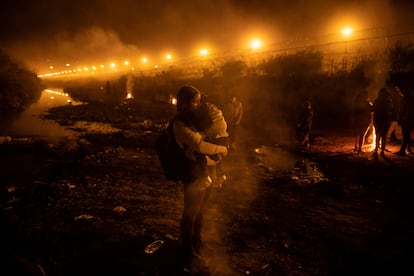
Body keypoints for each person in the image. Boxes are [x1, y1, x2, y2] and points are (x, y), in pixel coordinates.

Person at [172, 85, 228, 273]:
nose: (197, 104)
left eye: (198, 101)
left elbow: (214, 135)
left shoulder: (196, 121)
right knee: (190, 213)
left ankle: (197, 243)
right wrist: (221, 149)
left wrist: (217, 157)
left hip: (206, 171)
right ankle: (187, 251)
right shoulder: (179, 124)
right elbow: (199, 145)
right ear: (184, 103)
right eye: (194, 101)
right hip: (192, 174)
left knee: (201, 210)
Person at [192, 94, 229, 187]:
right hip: (223, 135)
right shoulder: (211, 107)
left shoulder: (202, 109)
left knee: (199, 150)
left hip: (215, 134)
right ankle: (220, 175)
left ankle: (205, 177)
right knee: (216, 155)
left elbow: (205, 124)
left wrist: (200, 132)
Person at [372, 87, 393, 156]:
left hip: (382, 120)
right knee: (380, 136)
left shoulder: (380, 101)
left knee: (380, 136)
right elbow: (373, 109)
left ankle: (379, 150)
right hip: (381, 120)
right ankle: (379, 150)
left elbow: (373, 109)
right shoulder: (386, 101)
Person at [395, 87, 414, 156]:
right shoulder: (412, 99)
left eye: (400, 91)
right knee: (407, 134)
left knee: (405, 135)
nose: (399, 93)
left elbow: (402, 111)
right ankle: (408, 148)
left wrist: (400, 120)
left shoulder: (404, 100)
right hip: (411, 120)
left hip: (406, 120)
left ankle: (402, 151)